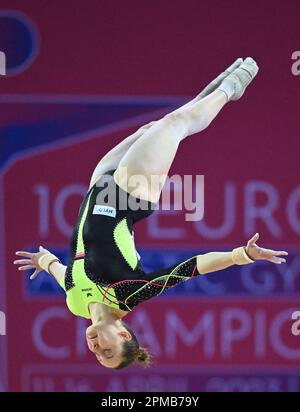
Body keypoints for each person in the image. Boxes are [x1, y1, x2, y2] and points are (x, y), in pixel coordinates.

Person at [14, 57, 288, 370]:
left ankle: (221, 81)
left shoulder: (76, 305)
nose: (96, 349)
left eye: (97, 356)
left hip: (99, 183)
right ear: (123, 334)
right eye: (108, 351)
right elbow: (189, 268)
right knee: (174, 125)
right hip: (131, 195)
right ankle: (232, 86)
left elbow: (64, 274)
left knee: (156, 128)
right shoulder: (128, 294)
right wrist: (242, 255)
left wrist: (44, 261)